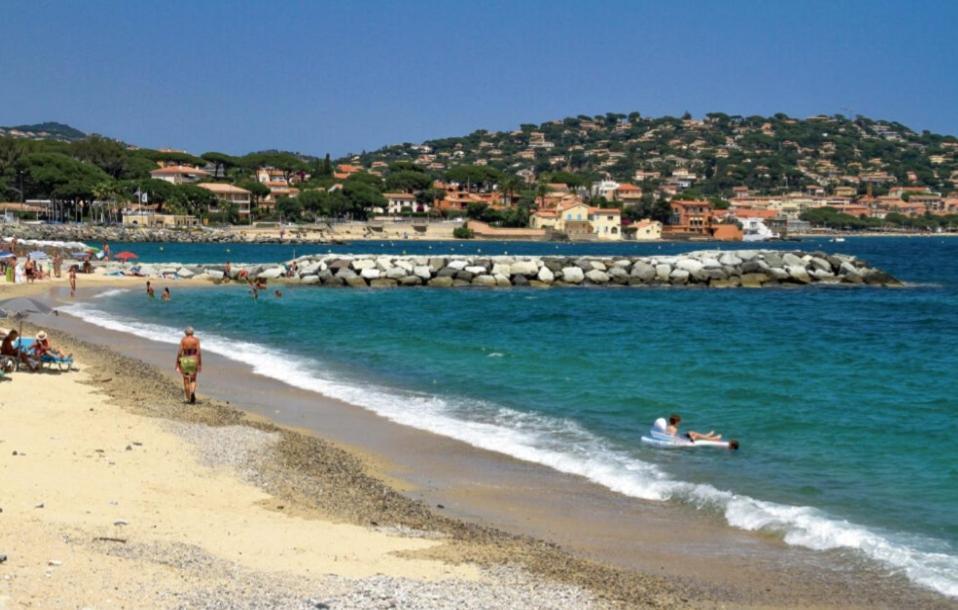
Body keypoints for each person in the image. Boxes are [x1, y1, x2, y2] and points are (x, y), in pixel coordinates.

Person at [175, 327, 201, 403]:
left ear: (185, 333)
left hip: (185, 360)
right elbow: (198, 352)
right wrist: (199, 363)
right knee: (193, 379)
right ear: (192, 333)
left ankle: (188, 397)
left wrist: (177, 363)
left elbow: (180, 352)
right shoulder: (196, 340)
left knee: (186, 379)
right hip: (194, 359)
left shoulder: (183, 340)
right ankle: (192, 392)